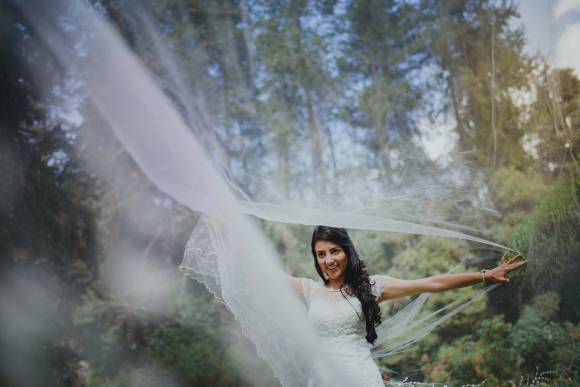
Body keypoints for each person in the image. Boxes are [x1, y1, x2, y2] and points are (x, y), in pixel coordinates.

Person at [288, 226, 526, 386]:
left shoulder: (372, 287)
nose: (328, 260)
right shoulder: (310, 290)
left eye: (334, 251)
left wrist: (484, 275)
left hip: (359, 378)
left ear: (347, 252)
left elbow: (432, 283)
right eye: (321, 255)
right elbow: (260, 272)